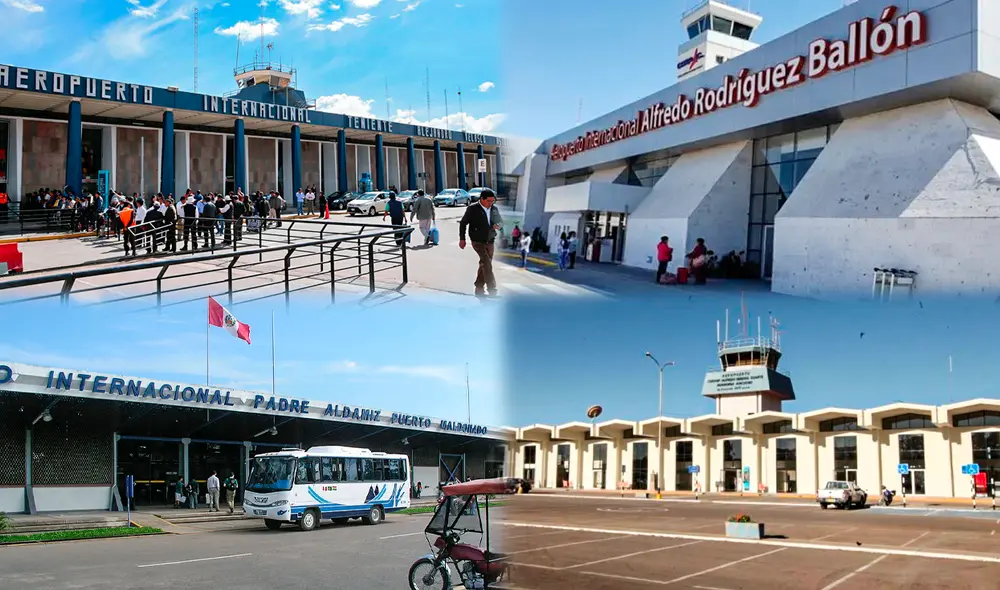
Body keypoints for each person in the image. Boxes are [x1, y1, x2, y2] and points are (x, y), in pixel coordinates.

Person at [459, 188, 503, 297]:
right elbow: (463, 223)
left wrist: (499, 225)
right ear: (482, 199)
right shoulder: (472, 209)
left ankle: (479, 287)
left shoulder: (494, 209)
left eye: (492, 201)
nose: (490, 203)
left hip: (490, 240)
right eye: (488, 201)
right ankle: (492, 290)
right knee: (487, 264)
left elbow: (500, 221)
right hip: (477, 240)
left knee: (484, 264)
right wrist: (462, 239)